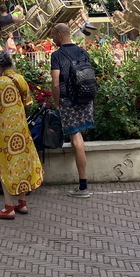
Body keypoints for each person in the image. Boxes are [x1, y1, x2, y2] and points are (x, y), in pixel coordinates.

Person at [0, 50, 44, 219]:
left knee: (5, 166)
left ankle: (8, 207)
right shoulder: (20, 79)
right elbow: (28, 103)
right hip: (21, 130)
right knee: (21, 163)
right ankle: (22, 203)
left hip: (4, 133)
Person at [50, 22, 93, 197]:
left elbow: (55, 84)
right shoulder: (83, 51)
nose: (52, 39)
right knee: (79, 136)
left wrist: (56, 102)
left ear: (60, 34)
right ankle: (83, 185)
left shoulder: (57, 56)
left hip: (69, 100)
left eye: (53, 35)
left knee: (76, 139)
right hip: (85, 98)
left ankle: (83, 186)